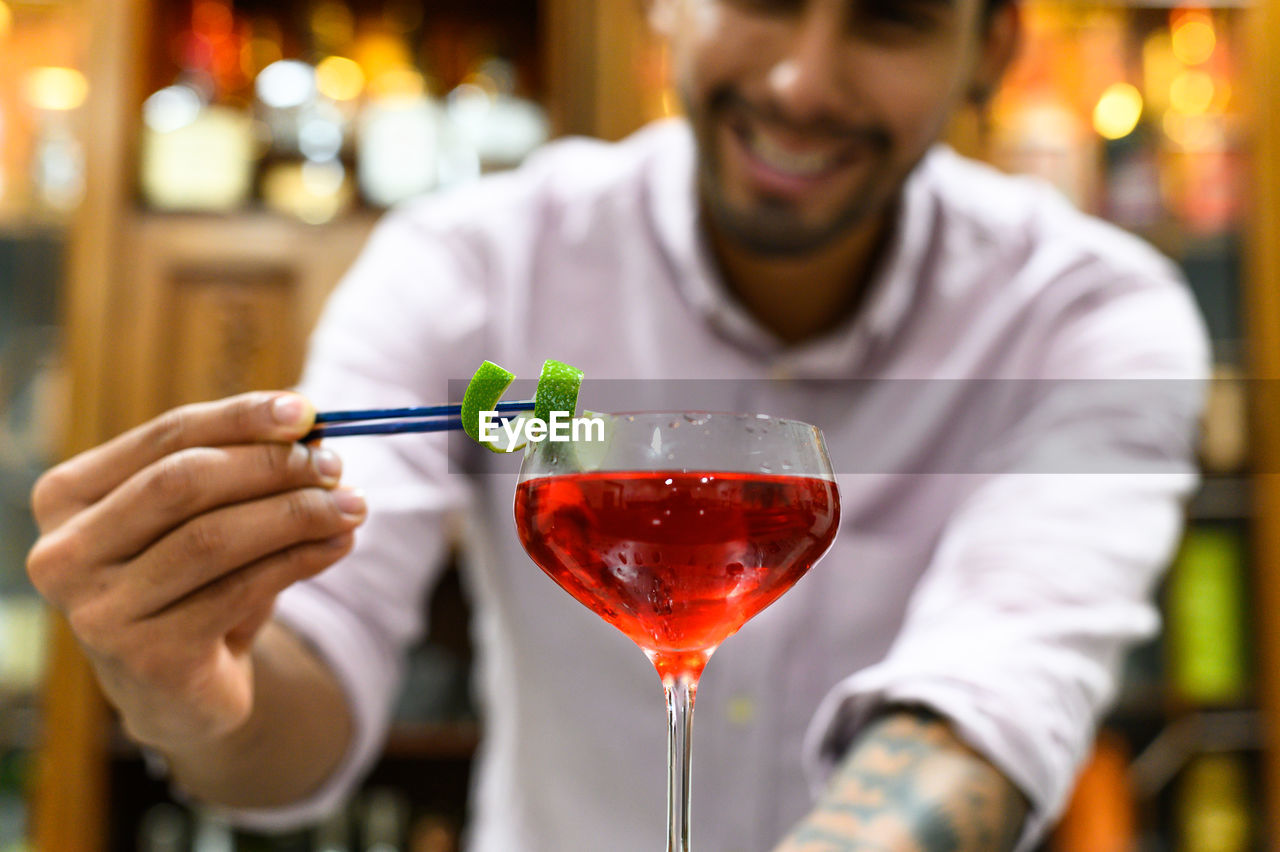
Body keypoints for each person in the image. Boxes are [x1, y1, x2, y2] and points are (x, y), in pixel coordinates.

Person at [27, 0, 1208, 850]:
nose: (804, 80)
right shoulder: (469, 262)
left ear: (988, 49)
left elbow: (1002, 683)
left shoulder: (1091, 313)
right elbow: (308, 683)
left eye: (888, 20)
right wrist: (192, 688)